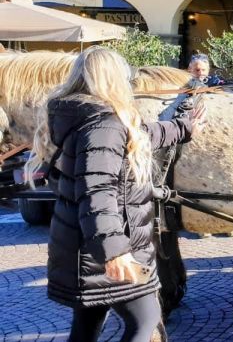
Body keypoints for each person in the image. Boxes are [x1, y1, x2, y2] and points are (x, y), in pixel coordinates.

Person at [26, 47, 205, 342]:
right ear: (114, 79)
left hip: (85, 250)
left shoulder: (84, 115)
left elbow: (141, 132)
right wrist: (115, 252)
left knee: (86, 327)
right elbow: (97, 192)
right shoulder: (104, 126)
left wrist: (183, 129)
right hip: (108, 252)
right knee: (145, 320)